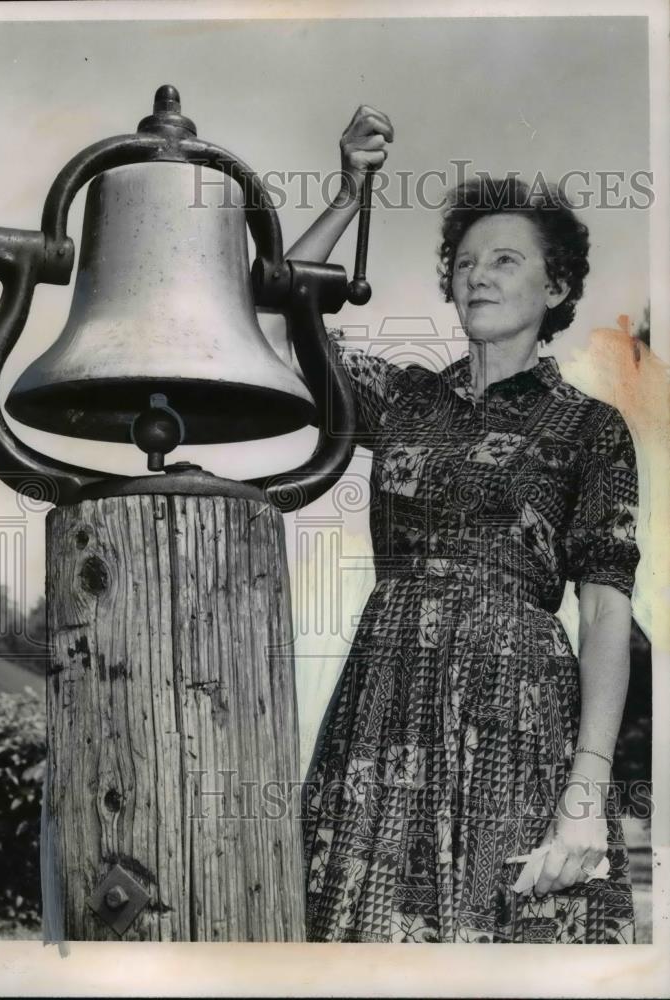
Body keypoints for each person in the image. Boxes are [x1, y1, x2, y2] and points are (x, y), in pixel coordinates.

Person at [289, 107, 640, 943]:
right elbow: (278, 312)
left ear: (554, 289)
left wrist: (585, 799)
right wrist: (348, 195)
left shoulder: (588, 428)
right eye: (463, 262)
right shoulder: (399, 397)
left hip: (518, 721)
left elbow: (602, 614)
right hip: (385, 707)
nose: (477, 275)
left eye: (505, 260)